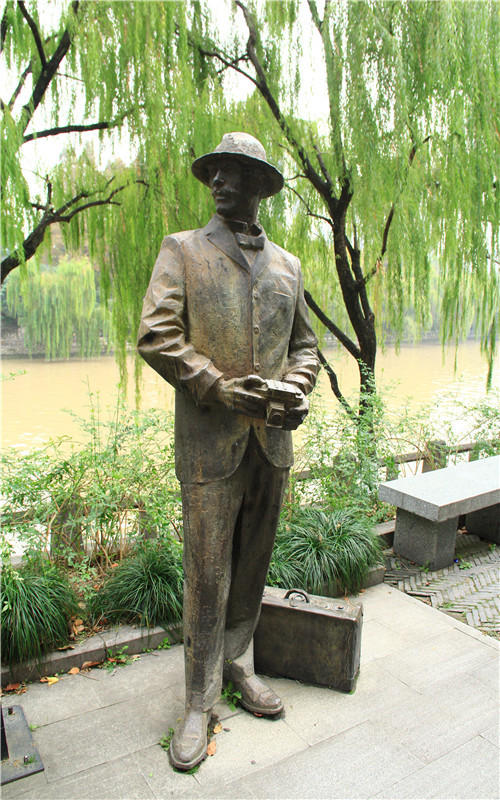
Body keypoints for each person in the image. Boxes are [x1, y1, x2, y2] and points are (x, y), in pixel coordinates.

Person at [137, 132, 319, 770]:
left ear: (260, 185)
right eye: (213, 171)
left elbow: (305, 347)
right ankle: (197, 699)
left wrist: (297, 386)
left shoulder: (289, 266)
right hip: (210, 442)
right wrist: (216, 385)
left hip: (272, 442)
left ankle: (238, 662)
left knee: (252, 563)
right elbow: (156, 334)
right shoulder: (182, 250)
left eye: (233, 172)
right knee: (207, 571)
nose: (218, 181)